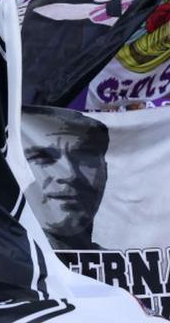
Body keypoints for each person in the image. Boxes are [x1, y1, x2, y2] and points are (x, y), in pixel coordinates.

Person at [22, 107, 109, 250]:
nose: (69, 174)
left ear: (105, 172)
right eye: (43, 158)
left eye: (84, 159)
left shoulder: (129, 267)